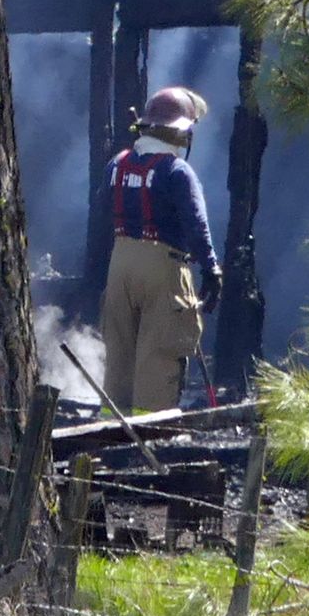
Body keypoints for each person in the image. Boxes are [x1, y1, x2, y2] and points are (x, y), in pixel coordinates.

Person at [98, 86, 222, 412]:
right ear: (181, 133)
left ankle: (109, 426)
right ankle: (151, 429)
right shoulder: (177, 172)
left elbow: (102, 210)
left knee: (119, 353)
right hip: (164, 269)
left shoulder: (116, 165)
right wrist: (211, 269)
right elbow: (196, 225)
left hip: (120, 265)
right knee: (160, 353)